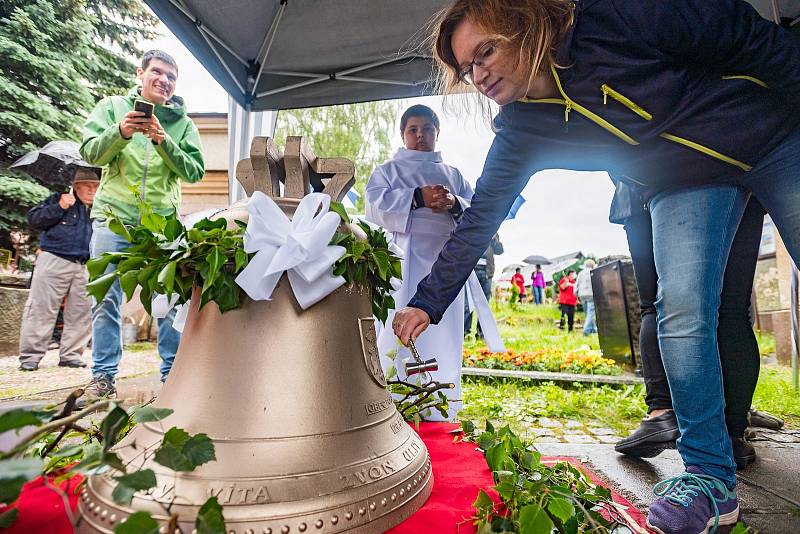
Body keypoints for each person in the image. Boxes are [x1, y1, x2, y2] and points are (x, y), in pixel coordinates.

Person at [391, 1, 800, 531]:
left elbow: (746, 36)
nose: (478, 73)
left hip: (772, 137)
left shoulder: (615, 17)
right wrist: (427, 300)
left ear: (524, 23)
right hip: (684, 180)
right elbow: (480, 218)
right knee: (679, 313)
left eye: (486, 50)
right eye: (467, 66)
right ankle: (708, 478)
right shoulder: (521, 130)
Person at [612, 181, 763, 469]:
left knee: (656, 305)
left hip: (648, 182)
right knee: (732, 308)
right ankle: (731, 433)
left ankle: (662, 412)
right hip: (735, 173)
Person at [80, 49, 205, 399]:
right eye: (158, 72)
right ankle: (103, 377)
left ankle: (172, 377)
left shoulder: (183, 124)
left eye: (171, 77)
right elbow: (90, 152)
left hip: (161, 226)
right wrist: (120, 132)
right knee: (105, 298)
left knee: (168, 301)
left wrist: (164, 142)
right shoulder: (111, 108)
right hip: (113, 220)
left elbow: (194, 171)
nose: (164, 80)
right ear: (141, 73)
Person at [365, 104, 473, 421]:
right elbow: (374, 205)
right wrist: (418, 198)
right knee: (394, 326)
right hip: (403, 258)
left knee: (444, 331)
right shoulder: (388, 171)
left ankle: (441, 403)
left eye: (427, 129)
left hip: (445, 263)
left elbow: (476, 213)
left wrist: (454, 203)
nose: (420, 135)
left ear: (437, 133)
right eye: (413, 130)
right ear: (403, 135)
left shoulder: (453, 175)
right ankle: (390, 399)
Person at [18, 168, 99, 371]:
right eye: (88, 186)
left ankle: (71, 355)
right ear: (76, 186)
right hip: (54, 260)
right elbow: (34, 219)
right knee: (41, 309)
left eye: (96, 186)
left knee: (81, 312)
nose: (92, 190)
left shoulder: (100, 209)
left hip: (85, 265)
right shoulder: (57, 199)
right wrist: (60, 206)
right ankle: (30, 357)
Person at [464, 233, 503, 337]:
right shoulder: (473, 224)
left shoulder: (493, 229)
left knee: (484, 304)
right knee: (468, 304)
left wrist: (495, 240)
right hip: (471, 271)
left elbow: (500, 251)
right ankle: (465, 332)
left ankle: (481, 333)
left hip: (487, 272)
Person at [575, 259, 596, 335]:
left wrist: (576, 295)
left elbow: (576, 285)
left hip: (582, 295)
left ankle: (593, 329)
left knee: (588, 313)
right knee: (591, 313)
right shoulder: (593, 272)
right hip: (591, 294)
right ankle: (586, 330)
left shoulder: (581, 273)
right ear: (592, 265)